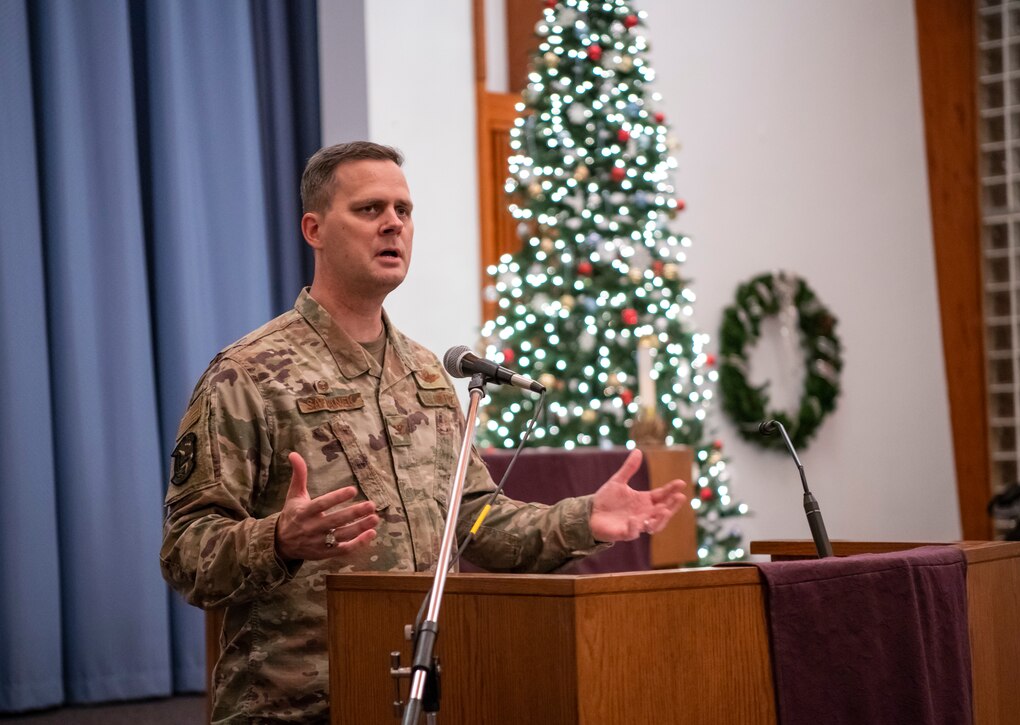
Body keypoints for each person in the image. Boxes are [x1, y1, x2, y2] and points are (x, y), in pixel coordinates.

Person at [159, 141, 688, 723]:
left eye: (403, 211)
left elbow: (477, 522)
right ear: (314, 228)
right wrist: (279, 540)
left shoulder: (428, 374)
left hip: (428, 693)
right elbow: (186, 553)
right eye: (369, 209)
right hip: (296, 708)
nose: (393, 224)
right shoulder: (249, 374)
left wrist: (583, 518)